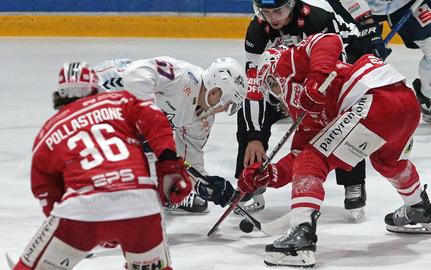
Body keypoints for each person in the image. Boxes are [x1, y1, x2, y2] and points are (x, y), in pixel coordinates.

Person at [237, 33, 431, 267]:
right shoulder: (304, 113)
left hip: (374, 96)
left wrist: (316, 78)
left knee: (312, 158)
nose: (277, 100)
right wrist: (268, 175)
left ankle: (301, 236)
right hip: (403, 106)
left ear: (272, 79)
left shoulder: (288, 63)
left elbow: (328, 39)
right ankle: (418, 207)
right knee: (387, 162)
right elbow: (298, 156)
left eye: (272, 89)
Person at [13, 62, 192, 270]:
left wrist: (94, 229)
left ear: (59, 96)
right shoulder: (118, 102)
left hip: (83, 209)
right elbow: (155, 118)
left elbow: (46, 192)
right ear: (95, 87)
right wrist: (169, 164)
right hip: (141, 205)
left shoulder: (49, 130)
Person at [236, 0, 392, 218]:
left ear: (291, 5)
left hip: (327, 78)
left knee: (338, 119)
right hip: (286, 83)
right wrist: (254, 135)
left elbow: (333, 73)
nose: (273, 17)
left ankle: (353, 183)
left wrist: (307, 97)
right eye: (267, 12)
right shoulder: (257, 30)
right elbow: (253, 84)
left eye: (278, 10)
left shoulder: (318, 19)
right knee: (249, 118)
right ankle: (251, 180)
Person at [94, 56, 247, 213]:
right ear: (215, 92)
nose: (225, 109)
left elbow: (189, 159)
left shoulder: (204, 118)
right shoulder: (184, 77)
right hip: (101, 90)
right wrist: (148, 119)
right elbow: (136, 73)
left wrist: (205, 184)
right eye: (227, 103)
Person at [339, 0, 431, 125]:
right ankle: (337, 104)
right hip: (353, 6)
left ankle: (429, 99)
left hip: (402, 3)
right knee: (350, 56)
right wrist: (367, 25)